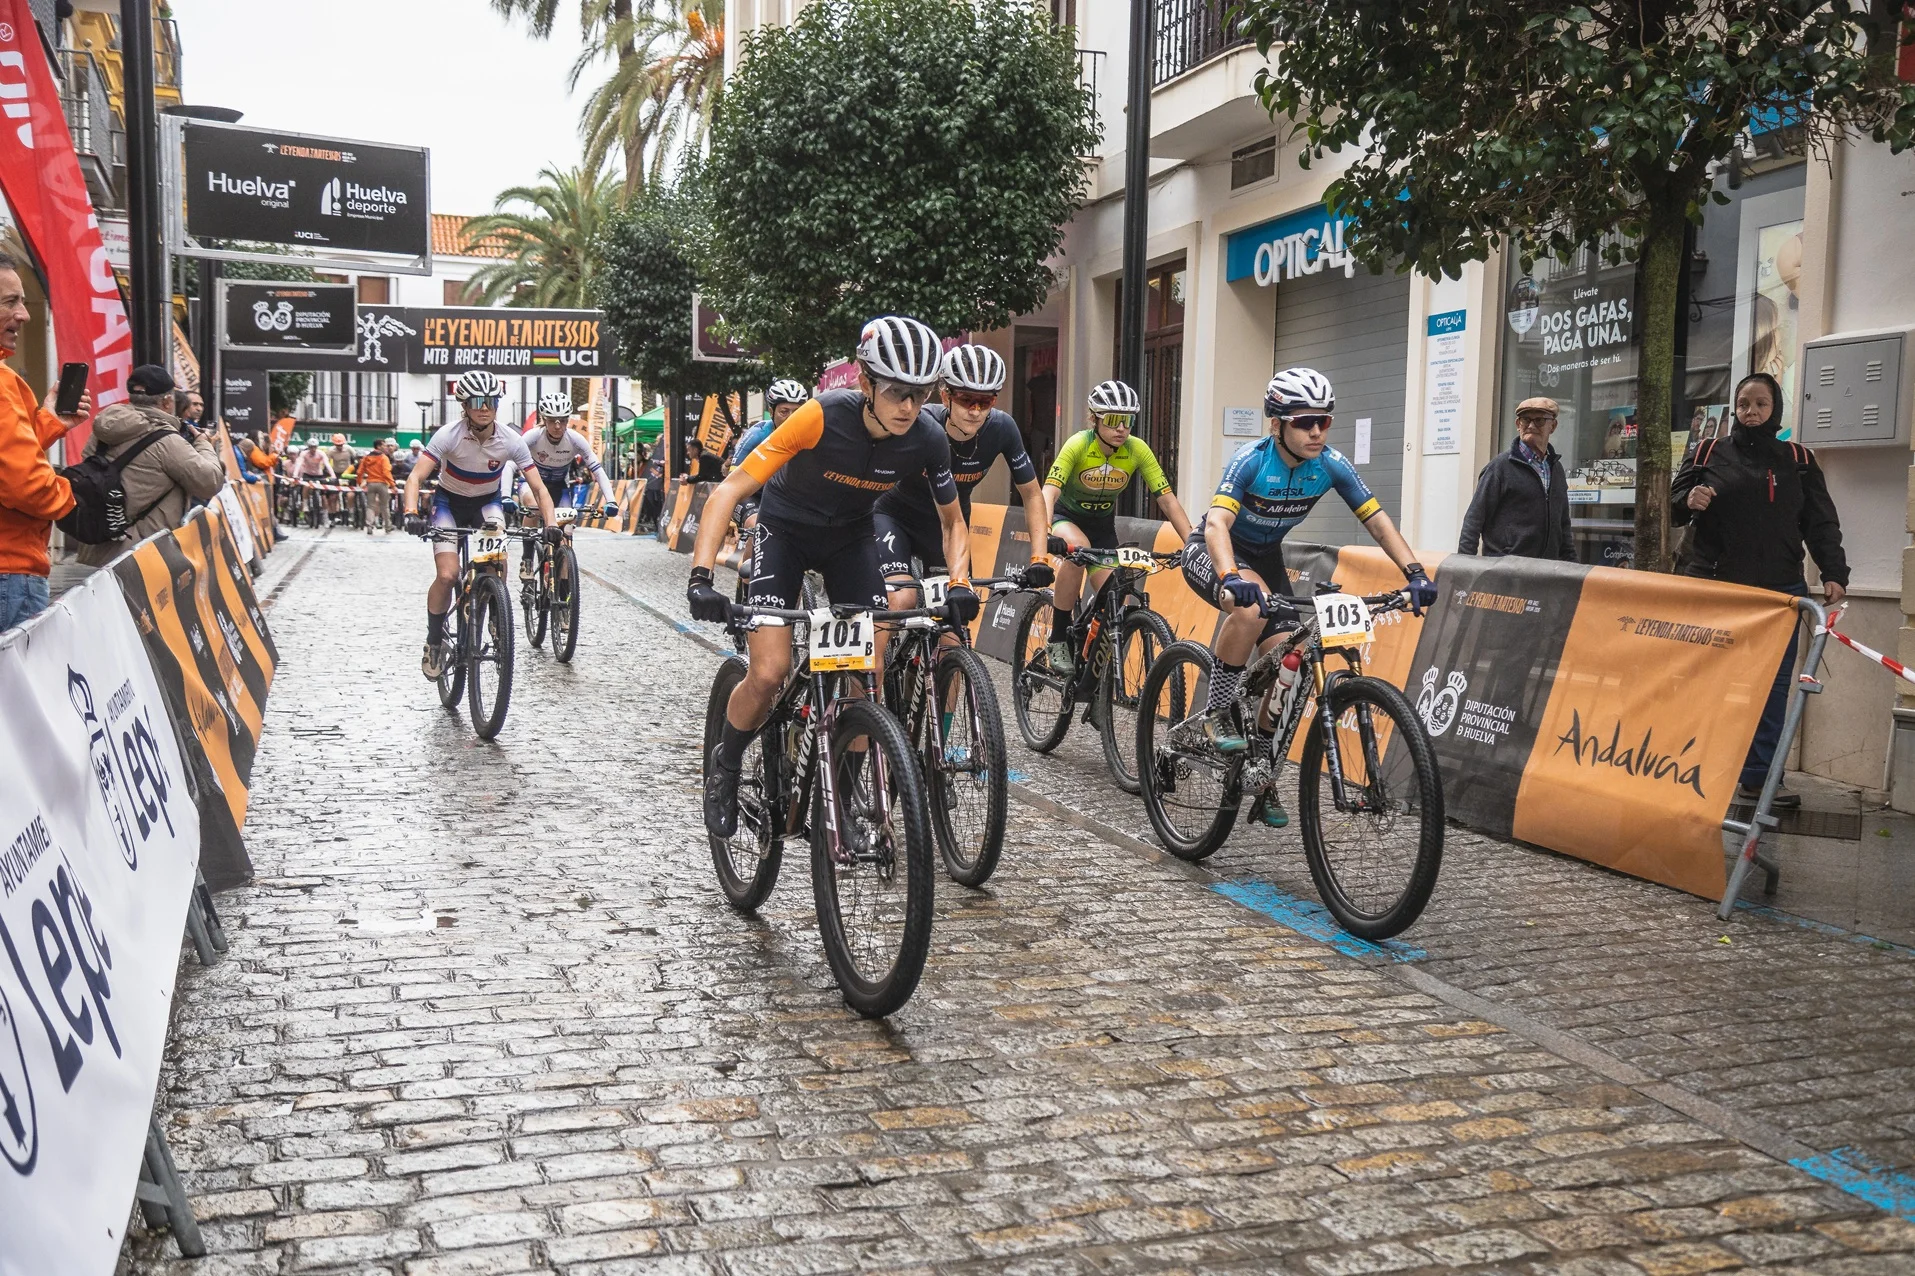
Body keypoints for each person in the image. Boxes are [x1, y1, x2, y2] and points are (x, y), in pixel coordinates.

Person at [686, 315, 974, 838]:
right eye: (896, 392)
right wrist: (700, 577)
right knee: (771, 671)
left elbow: (953, 521)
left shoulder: (928, 438)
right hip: (785, 531)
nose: (909, 406)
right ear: (865, 384)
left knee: (866, 681)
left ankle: (839, 806)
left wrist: (959, 583)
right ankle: (725, 768)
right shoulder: (818, 417)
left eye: (921, 393)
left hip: (852, 537)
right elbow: (728, 491)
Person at [1180, 368, 1437, 813]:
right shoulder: (1251, 460)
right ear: (1276, 423)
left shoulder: (1330, 465)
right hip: (1214, 551)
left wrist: (1414, 572)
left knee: (1291, 662)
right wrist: (1229, 578)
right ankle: (1218, 711)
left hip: (1264, 558)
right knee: (1249, 611)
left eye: (1325, 420)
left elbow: (1375, 520)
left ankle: (1258, 766)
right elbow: (1219, 522)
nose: (1317, 431)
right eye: (1304, 421)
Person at [1672, 371, 1847, 808]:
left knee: (1771, 685)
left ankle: (1758, 777)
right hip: (1715, 585)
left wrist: (1834, 572)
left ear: (1776, 409)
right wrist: (1689, 499)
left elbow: (1821, 524)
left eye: (1761, 404)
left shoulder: (1799, 459)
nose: (1751, 412)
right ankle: (1686, 767)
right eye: (1744, 403)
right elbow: (1674, 505)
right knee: (1706, 678)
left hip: (1778, 591)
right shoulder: (1710, 450)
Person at [402, 369, 560, 680]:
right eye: (477, 400)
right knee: (447, 576)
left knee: (496, 563)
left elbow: (539, 488)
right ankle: (434, 640)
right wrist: (410, 512)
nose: (484, 406)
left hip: (487, 504)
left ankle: (494, 613)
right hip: (449, 504)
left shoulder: (510, 439)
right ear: (465, 405)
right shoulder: (448, 434)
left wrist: (551, 523)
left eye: (490, 400)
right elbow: (415, 476)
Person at [875, 345, 1053, 609]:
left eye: (986, 402)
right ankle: (879, 651)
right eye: (966, 399)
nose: (975, 410)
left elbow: (1032, 494)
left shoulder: (1002, 428)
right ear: (944, 395)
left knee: (955, 623)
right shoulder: (920, 424)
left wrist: (1040, 557)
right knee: (902, 599)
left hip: (952, 523)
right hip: (896, 517)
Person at [1041, 379, 1193, 674]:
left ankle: (1088, 646)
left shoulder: (1137, 450)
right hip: (1067, 519)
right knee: (1078, 551)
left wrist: (1193, 542)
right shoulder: (1078, 445)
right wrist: (1046, 531)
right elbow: (1049, 491)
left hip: (1102, 525)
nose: (1122, 428)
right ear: (1094, 420)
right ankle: (1059, 636)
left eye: (1128, 421)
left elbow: (1167, 499)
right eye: (1113, 421)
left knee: (1115, 592)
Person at [0, 252, 90, 628]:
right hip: (10, 570)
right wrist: (76, 499)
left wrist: (48, 423)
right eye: (10, 302)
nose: (24, 314)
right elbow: (27, 487)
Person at [74, 364, 227, 569]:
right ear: (167, 401)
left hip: (94, 546)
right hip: (143, 556)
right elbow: (209, 481)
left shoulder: (101, 432)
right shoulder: (166, 440)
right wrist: (204, 444)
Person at [511, 391, 617, 578]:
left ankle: (561, 589)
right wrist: (504, 495)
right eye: (552, 420)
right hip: (533, 486)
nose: (558, 426)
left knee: (566, 534)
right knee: (534, 508)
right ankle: (527, 559)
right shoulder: (533, 436)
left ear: (568, 420)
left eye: (562, 420)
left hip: (559, 488)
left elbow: (597, 470)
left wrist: (612, 500)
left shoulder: (575, 439)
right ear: (544, 419)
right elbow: (510, 464)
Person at [1457, 396, 1576, 561]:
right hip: (1506, 571)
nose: (1531, 425)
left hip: (1547, 572)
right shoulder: (1500, 468)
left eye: (1540, 420)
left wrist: (1572, 565)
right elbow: (1473, 520)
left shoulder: (1556, 469)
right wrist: (1463, 568)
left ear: (1553, 426)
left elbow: (1563, 525)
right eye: (1525, 420)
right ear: (1517, 424)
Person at [727, 379, 810, 546]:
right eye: (784, 411)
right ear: (771, 411)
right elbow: (732, 480)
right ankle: (747, 572)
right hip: (753, 496)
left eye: (797, 411)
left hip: (786, 498)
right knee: (760, 528)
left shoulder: (811, 434)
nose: (791, 418)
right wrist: (727, 516)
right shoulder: (758, 433)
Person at [357, 437, 395, 535]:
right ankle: (388, 526)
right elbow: (386, 472)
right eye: (384, 445)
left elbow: (360, 471)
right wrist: (392, 485)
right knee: (385, 506)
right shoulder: (383, 457)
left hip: (371, 483)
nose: (386, 447)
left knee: (370, 506)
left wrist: (359, 482)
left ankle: (369, 526)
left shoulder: (366, 457)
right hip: (382, 483)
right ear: (378, 446)